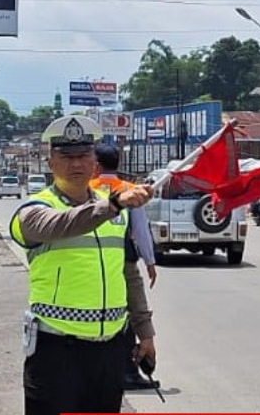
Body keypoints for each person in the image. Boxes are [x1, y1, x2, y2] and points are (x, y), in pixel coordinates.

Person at [9, 115, 156, 415]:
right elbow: (62, 224)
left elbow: (129, 273)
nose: (75, 164)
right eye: (66, 157)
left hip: (109, 350)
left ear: (95, 164)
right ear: (51, 163)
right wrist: (113, 204)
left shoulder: (115, 212)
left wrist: (145, 332)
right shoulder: (35, 210)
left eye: (83, 156)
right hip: (56, 350)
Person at [89, 144, 160, 391]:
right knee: (133, 311)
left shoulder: (87, 189)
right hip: (125, 261)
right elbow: (140, 230)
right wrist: (149, 261)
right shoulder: (129, 190)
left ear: (96, 165)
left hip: (93, 260)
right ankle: (130, 370)